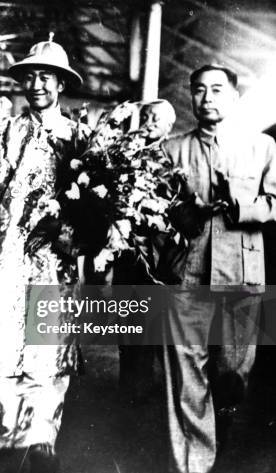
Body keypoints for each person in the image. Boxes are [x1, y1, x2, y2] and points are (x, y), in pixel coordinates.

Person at [0, 36, 89, 472]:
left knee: (46, 347)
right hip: (6, 252)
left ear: (61, 84)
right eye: (30, 76)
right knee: (1, 342)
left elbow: (92, 205)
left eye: (46, 77)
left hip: (54, 255)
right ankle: (6, 442)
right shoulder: (10, 128)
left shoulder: (78, 136)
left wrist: (68, 231)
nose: (36, 84)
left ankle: (41, 439)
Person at [162, 64, 276, 473]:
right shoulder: (171, 150)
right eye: (198, 90)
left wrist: (242, 207)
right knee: (187, 370)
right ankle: (195, 462)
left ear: (233, 97)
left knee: (232, 372)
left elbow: (275, 202)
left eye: (216, 90)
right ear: (190, 97)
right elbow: (154, 206)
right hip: (187, 271)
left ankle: (223, 416)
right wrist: (177, 215)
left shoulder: (262, 148)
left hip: (242, 273)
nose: (206, 98)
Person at [116, 98, 176, 401]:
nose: (150, 123)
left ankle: (144, 383)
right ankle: (129, 381)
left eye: (157, 119)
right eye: (147, 117)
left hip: (156, 253)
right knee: (125, 315)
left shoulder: (171, 158)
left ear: (169, 126)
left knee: (150, 318)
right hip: (126, 249)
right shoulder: (127, 153)